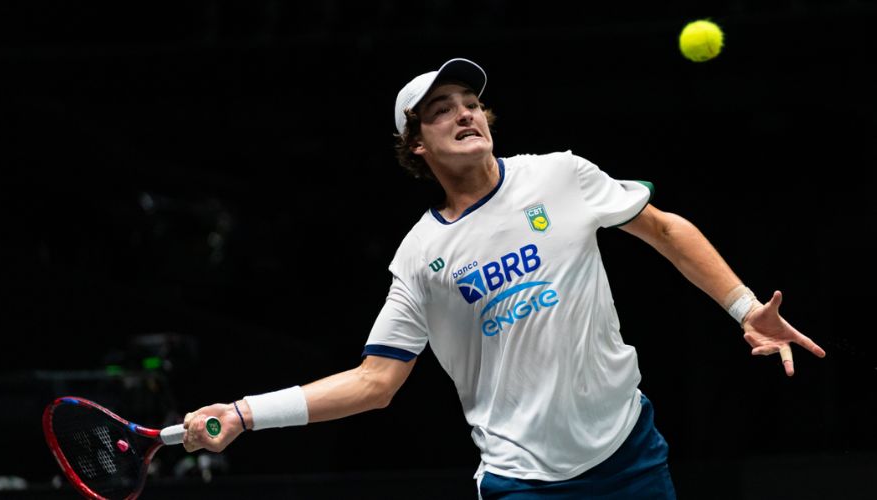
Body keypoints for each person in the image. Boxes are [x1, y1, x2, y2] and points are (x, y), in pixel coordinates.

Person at [182, 58, 827, 498]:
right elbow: (375, 383)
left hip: (630, 454)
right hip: (523, 481)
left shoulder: (559, 175)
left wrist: (743, 306)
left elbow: (664, 229)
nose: (465, 114)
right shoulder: (420, 256)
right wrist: (245, 414)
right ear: (416, 145)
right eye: (442, 110)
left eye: (472, 104)